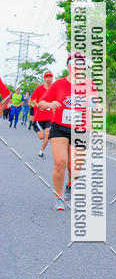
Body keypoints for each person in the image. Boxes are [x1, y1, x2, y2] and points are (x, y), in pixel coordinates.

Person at [39, 53, 98, 210]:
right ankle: (59, 198)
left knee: (75, 167)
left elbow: (94, 107)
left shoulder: (89, 84)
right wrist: (50, 104)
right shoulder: (58, 84)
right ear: (68, 66)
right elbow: (41, 103)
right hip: (60, 127)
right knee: (60, 163)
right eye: (73, 62)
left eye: (80, 63)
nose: (77, 65)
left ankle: (70, 185)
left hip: (81, 129)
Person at [30, 72, 54, 156]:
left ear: (52, 78)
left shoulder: (54, 88)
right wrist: (38, 105)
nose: (48, 78)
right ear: (44, 78)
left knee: (48, 133)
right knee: (41, 137)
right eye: (47, 77)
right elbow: (33, 99)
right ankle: (35, 127)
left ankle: (41, 152)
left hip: (49, 116)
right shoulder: (39, 88)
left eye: (50, 76)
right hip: (39, 115)